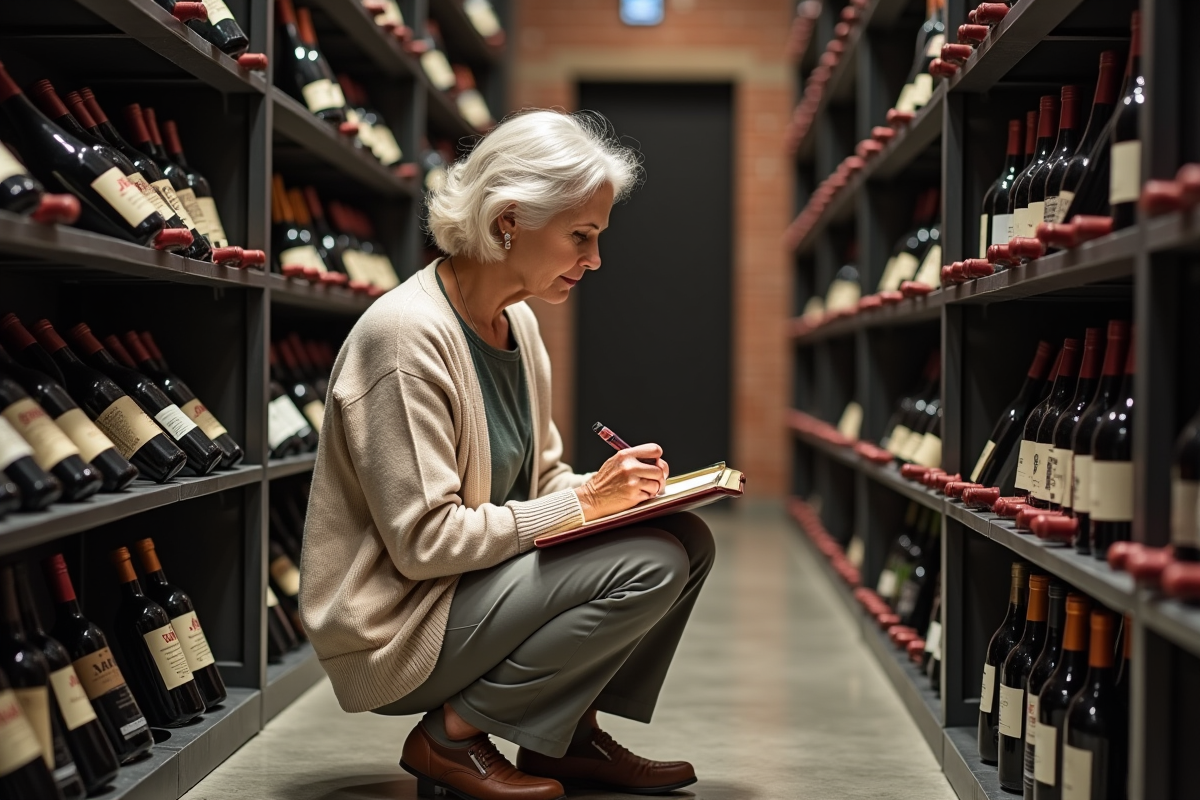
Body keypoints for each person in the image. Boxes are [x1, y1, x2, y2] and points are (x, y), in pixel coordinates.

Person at [299, 109, 716, 800]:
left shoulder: (514, 319)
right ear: (507, 222)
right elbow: (425, 544)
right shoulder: (406, 339)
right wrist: (584, 504)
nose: (595, 260)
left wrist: (621, 492)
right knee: (652, 561)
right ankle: (449, 738)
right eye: (580, 236)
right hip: (403, 626)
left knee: (685, 538)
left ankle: (564, 735)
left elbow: (540, 474)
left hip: (466, 589)